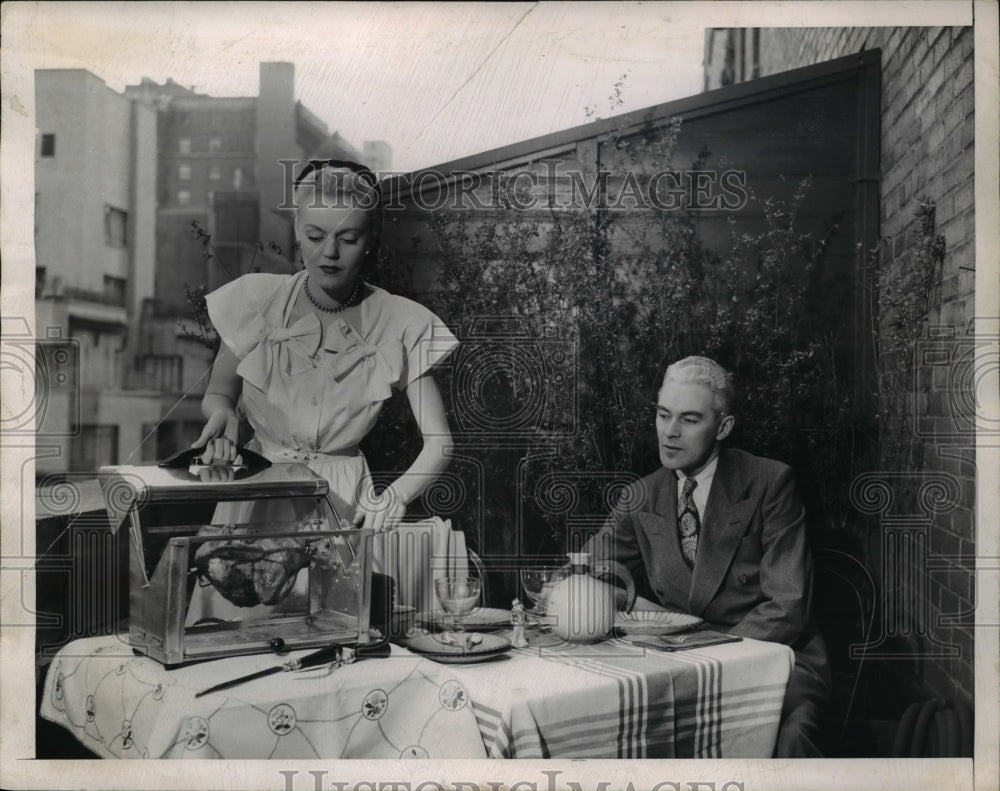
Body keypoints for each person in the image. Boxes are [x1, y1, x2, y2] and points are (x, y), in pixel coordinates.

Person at [189, 159, 457, 601]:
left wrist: (397, 496)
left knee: (336, 632)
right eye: (315, 236)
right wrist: (223, 417)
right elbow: (219, 393)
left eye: (348, 238)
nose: (329, 252)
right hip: (256, 494)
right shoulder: (256, 301)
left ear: (370, 240)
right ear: (296, 230)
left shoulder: (402, 322)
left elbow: (440, 442)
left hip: (345, 504)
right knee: (236, 632)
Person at [583, 355, 830, 758]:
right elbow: (588, 571)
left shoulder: (770, 482)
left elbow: (789, 605)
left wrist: (708, 659)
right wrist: (615, 597)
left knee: (789, 738)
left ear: (723, 427)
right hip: (680, 662)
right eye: (663, 416)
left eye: (690, 419)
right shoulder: (641, 496)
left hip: (775, 656)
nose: (670, 433)